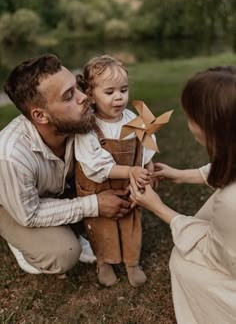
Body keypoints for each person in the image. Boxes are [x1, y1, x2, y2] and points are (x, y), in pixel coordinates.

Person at [0, 54, 131, 276]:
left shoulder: (79, 123)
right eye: (69, 96)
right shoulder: (11, 155)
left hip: (59, 189)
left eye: (78, 88)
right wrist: (94, 204)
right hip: (14, 204)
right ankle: (19, 239)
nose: (85, 98)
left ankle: (75, 225)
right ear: (40, 116)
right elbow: (29, 214)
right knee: (64, 252)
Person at [129, 66, 236, 323]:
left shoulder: (230, 201)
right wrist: (182, 174)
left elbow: (219, 257)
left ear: (208, 127)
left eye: (190, 116)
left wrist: (159, 208)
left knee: (182, 259)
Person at [74, 55, 157, 287]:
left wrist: (147, 166)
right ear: (91, 95)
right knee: (102, 227)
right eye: (109, 92)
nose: (119, 97)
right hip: (98, 187)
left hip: (127, 185)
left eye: (123, 90)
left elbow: (145, 145)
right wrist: (131, 171)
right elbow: (95, 166)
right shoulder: (87, 127)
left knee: (131, 221)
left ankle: (132, 262)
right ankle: (104, 261)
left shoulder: (133, 119)